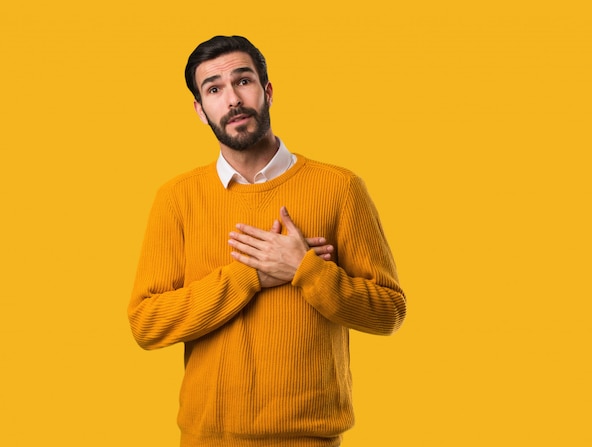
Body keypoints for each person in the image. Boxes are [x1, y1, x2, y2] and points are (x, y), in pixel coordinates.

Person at [128, 35, 406, 447]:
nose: (233, 99)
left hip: (310, 438)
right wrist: (250, 276)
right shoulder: (177, 198)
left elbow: (389, 313)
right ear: (201, 110)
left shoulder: (340, 187)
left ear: (268, 91)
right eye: (214, 89)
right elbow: (146, 323)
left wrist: (306, 270)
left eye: (243, 81)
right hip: (207, 438)